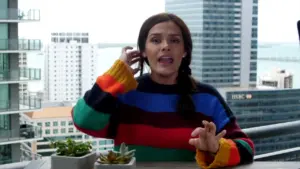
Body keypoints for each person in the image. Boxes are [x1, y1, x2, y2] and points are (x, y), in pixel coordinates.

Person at [71, 13, 254, 168]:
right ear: (143, 51)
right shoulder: (125, 94)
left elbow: (246, 148)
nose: (165, 46)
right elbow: (83, 121)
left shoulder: (208, 97)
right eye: (155, 40)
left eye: (174, 40)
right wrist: (116, 74)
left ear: (184, 51)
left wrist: (217, 148)